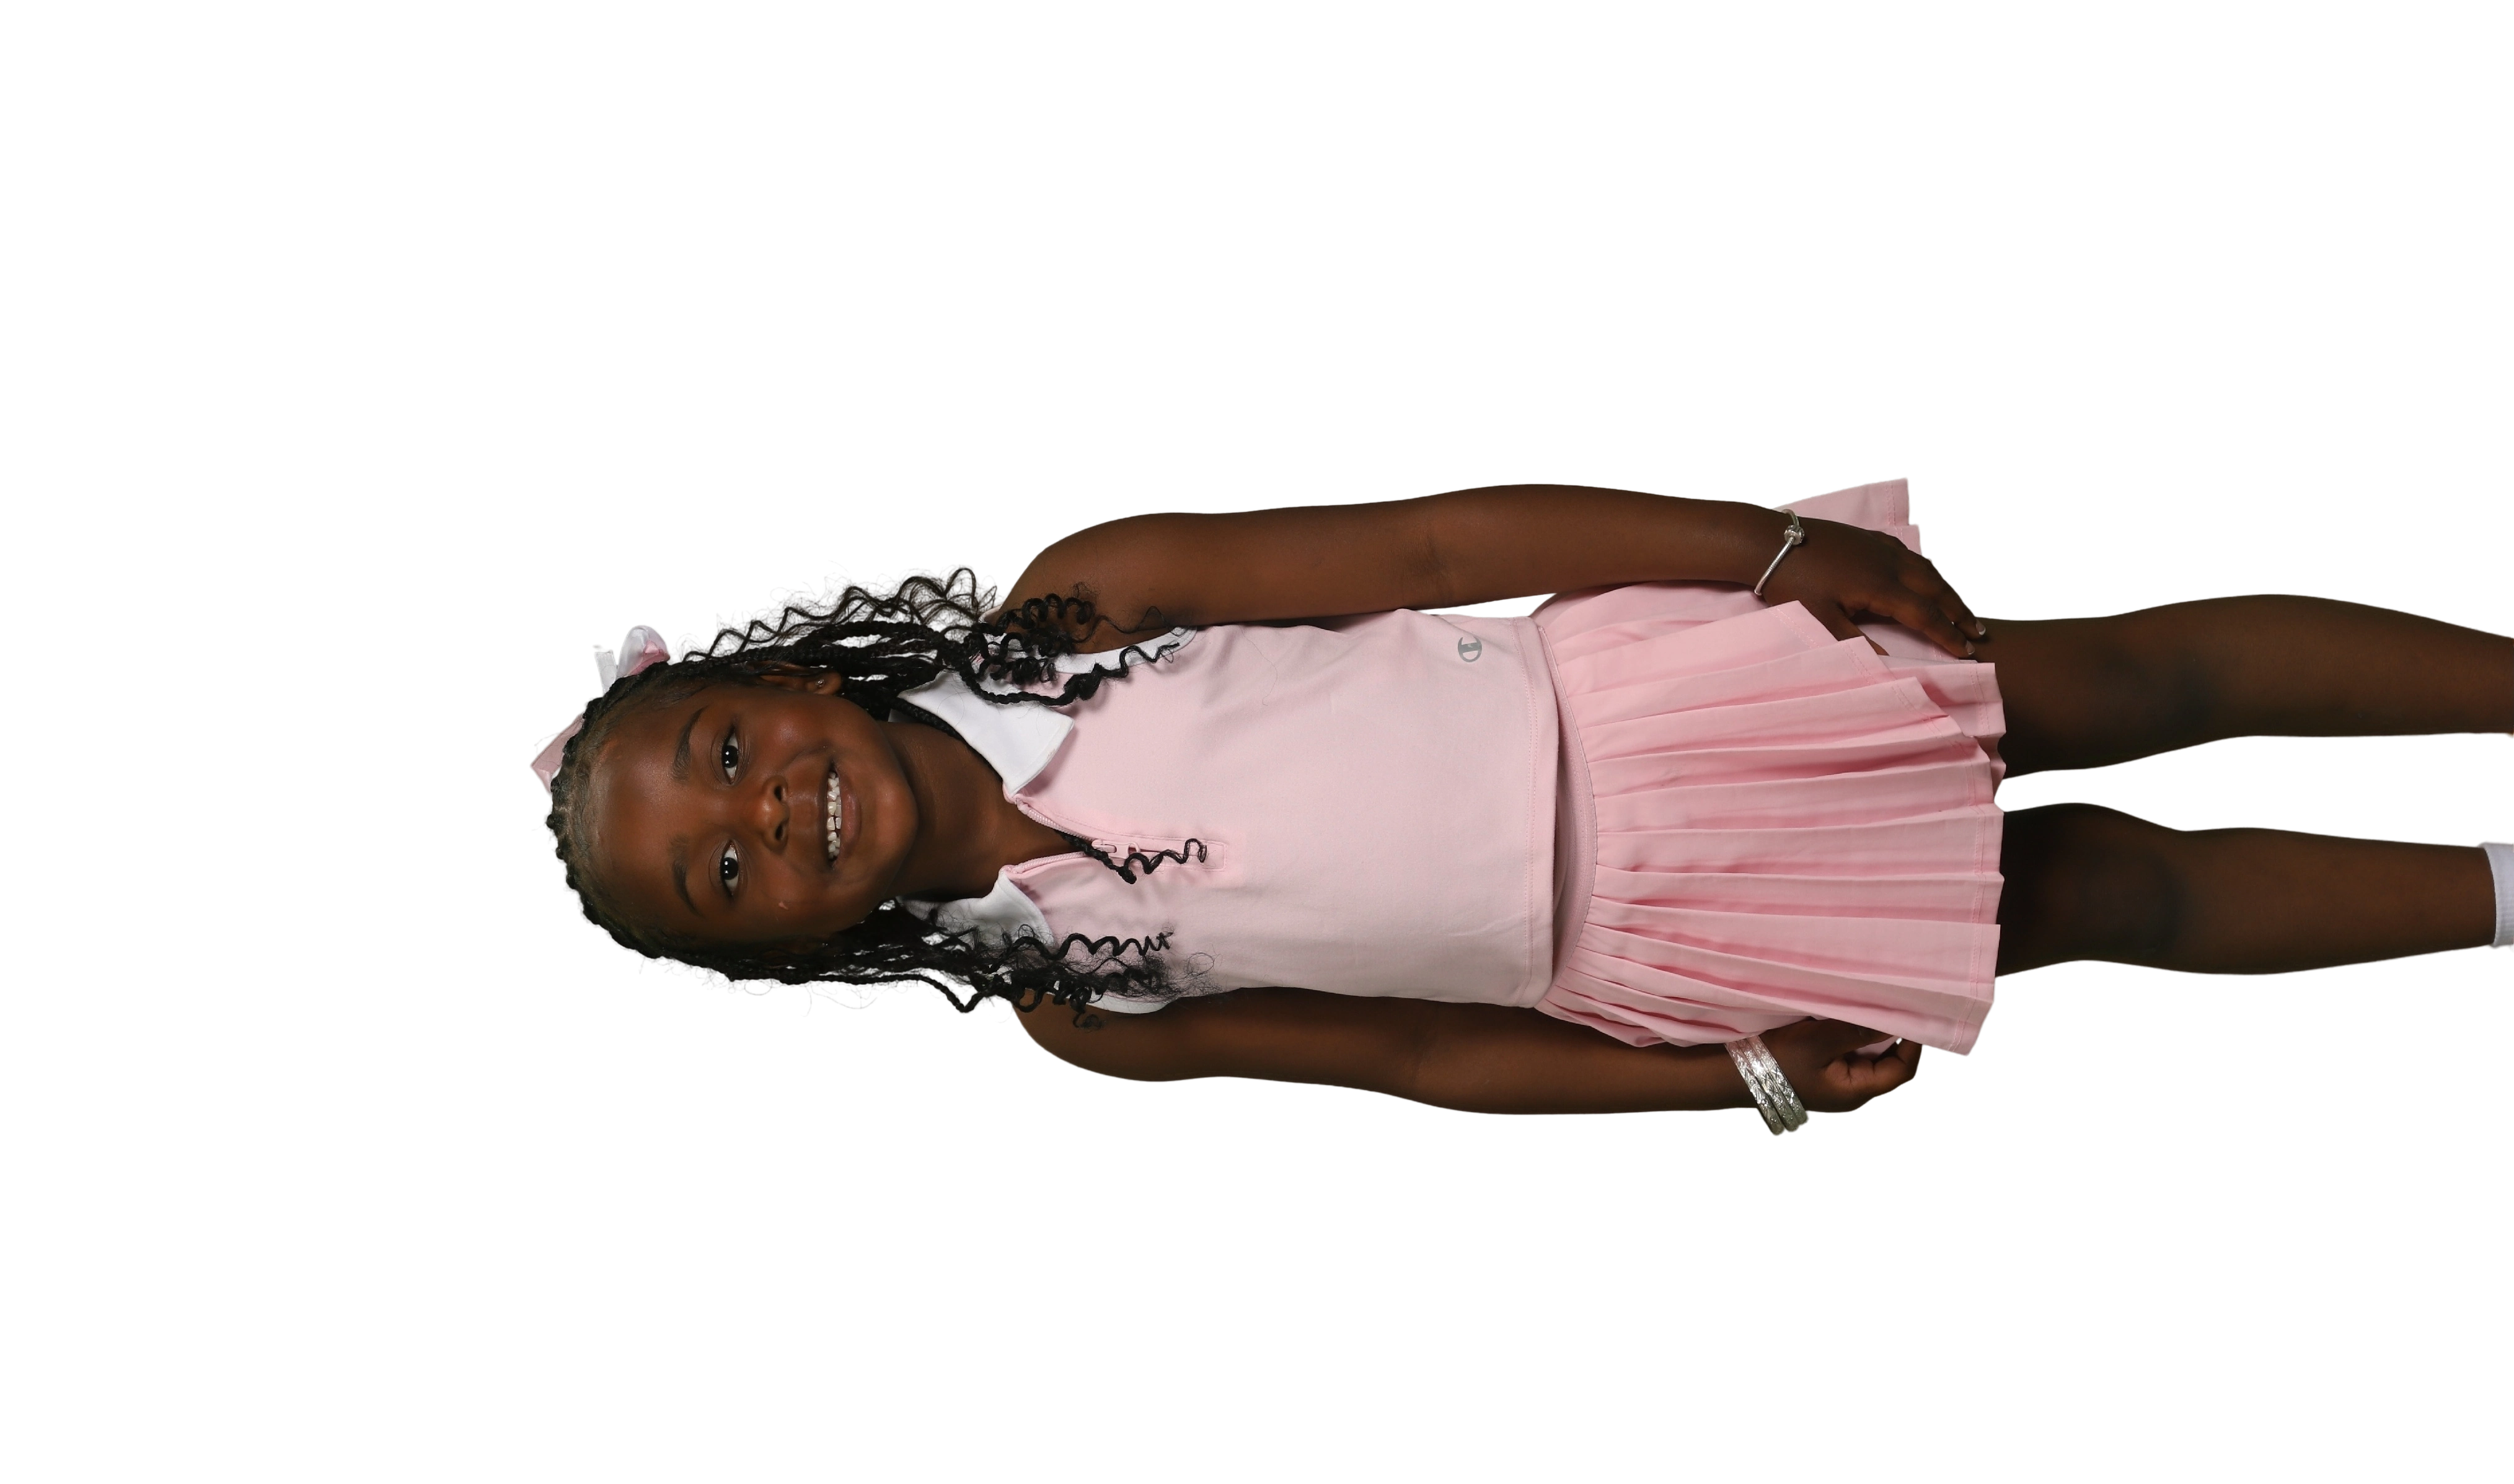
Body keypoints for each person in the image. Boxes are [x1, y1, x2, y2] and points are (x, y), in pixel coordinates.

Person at [526, 479, 2514, 1136]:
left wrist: (1765, 553)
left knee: (2119, 688)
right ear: (787, 948)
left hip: (1655, 704)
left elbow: (1439, 545)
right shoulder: (1076, 1007)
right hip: (1647, 946)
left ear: (783, 677)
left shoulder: (1083, 604)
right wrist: (1740, 1081)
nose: (769, 815)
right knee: (2105, 903)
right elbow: (1418, 1055)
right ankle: (2496, 895)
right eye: (726, 875)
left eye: (726, 756)